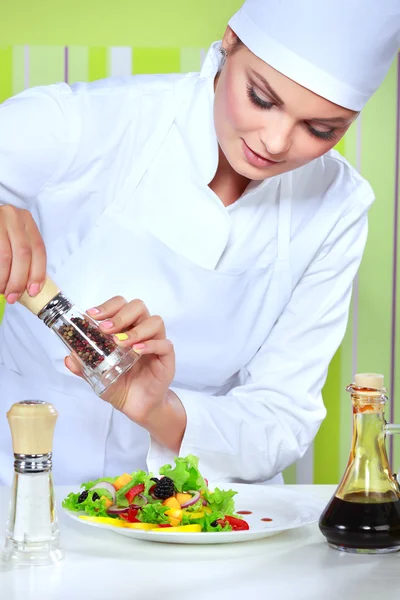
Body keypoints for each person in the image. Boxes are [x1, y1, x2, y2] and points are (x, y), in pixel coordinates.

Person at [0, 0, 399, 486]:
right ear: (229, 40)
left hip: (192, 514)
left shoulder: (337, 205)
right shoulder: (98, 119)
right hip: (22, 484)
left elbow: (280, 418)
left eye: (321, 130)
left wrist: (156, 406)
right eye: (261, 98)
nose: (274, 142)